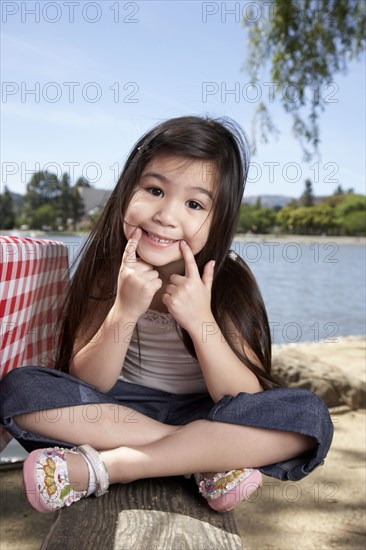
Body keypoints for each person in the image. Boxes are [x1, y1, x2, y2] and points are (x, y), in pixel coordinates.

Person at [0, 116, 333, 514]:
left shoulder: (229, 278)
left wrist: (200, 320)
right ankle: (202, 459)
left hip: (207, 412)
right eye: (155, 190)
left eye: (194, 204)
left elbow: (242, 396)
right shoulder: (108, 269)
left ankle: (115, 466)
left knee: (308, 417)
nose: (166, 215)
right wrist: (124, 311)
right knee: (20, 388)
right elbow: (88, 382)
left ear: (220, 220)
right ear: (127, 191)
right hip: (118, 412)